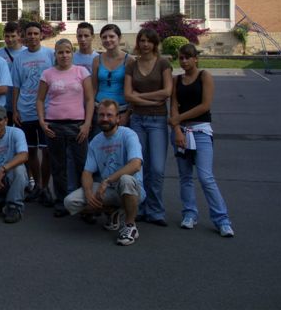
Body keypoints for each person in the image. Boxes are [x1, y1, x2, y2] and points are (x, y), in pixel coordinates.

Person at [169, 44, 234, 237]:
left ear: (196, 58)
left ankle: (222, 220)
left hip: (200, 131)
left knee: (206, 177)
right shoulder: (176, 80)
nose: (184, 61)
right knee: (185, 176)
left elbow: (205, 105)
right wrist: (177, 129)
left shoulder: (204, 76)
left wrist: (178, 119)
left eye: (188, 57)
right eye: (181, 58)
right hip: (181, 132)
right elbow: (173, 106)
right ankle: (189, 213)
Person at [63, 99, 146, 246]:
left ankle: (130, 226)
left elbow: (135, 165)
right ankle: (114, 211)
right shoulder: (96, 141)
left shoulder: (128, 135)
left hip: (132, 189)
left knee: (125, 179)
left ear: (118, 118)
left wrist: (107, 181)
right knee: (70, 202)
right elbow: (87, 172)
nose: (105, 119)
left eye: (109, 115)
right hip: (108, 190)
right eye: (101, 115)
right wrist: (88, 193)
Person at [37, 38, 94, 217]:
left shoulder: (82, 72)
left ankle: (84, 204)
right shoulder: (47, 74)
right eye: (60, 52)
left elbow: (89, 99)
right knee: (58, 166)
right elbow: (40, 100)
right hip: (54, 126)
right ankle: (61, 202)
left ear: (72, 53)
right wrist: (42, 122)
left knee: (81, 165)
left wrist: (87, 123)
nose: (64, 55)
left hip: (78, 125)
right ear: (55, 54)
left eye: (68, 51)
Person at [124, 28, 172, 226]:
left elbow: (167, 91)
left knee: (157, 168)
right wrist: (152, 99)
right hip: (138, 120)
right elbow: (128, 95)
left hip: (157, 120)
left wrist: (140, 97)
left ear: (154, 43)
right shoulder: (131, 65)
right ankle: (140, 208)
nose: (145, 44)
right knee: (139, 167)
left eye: (148, 41)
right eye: (142, 40)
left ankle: (156, 210)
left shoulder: (163, 63)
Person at [11, 22, 55, 203]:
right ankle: (37, 185)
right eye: (29, 33)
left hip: (46, 111)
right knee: (30, 151)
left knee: (47, 152)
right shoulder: (19, 58)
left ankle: (46, 187)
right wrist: (15, 109)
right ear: (24, 35)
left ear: (41, 35)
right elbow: (16, 86)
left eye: (36, 33)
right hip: (25, 111)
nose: (32, 37)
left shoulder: (50, 54)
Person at [91, 24, 130, 138]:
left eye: (112, 36)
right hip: (100, 111)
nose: (108, 40)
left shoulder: (129, 60)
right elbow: (94, 88)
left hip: (121, 111)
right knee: (99, 143)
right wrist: (90, 112)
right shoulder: (97, 60)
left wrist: (127, 114)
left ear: (119, 37)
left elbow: (132, 90)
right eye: (104, 37)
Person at [0, 21, 25, 124]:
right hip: (3, 103)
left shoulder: (27, 53)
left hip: (22, 103)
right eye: (7, 36)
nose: (10, 39)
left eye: (13, 36)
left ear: (19, 35)